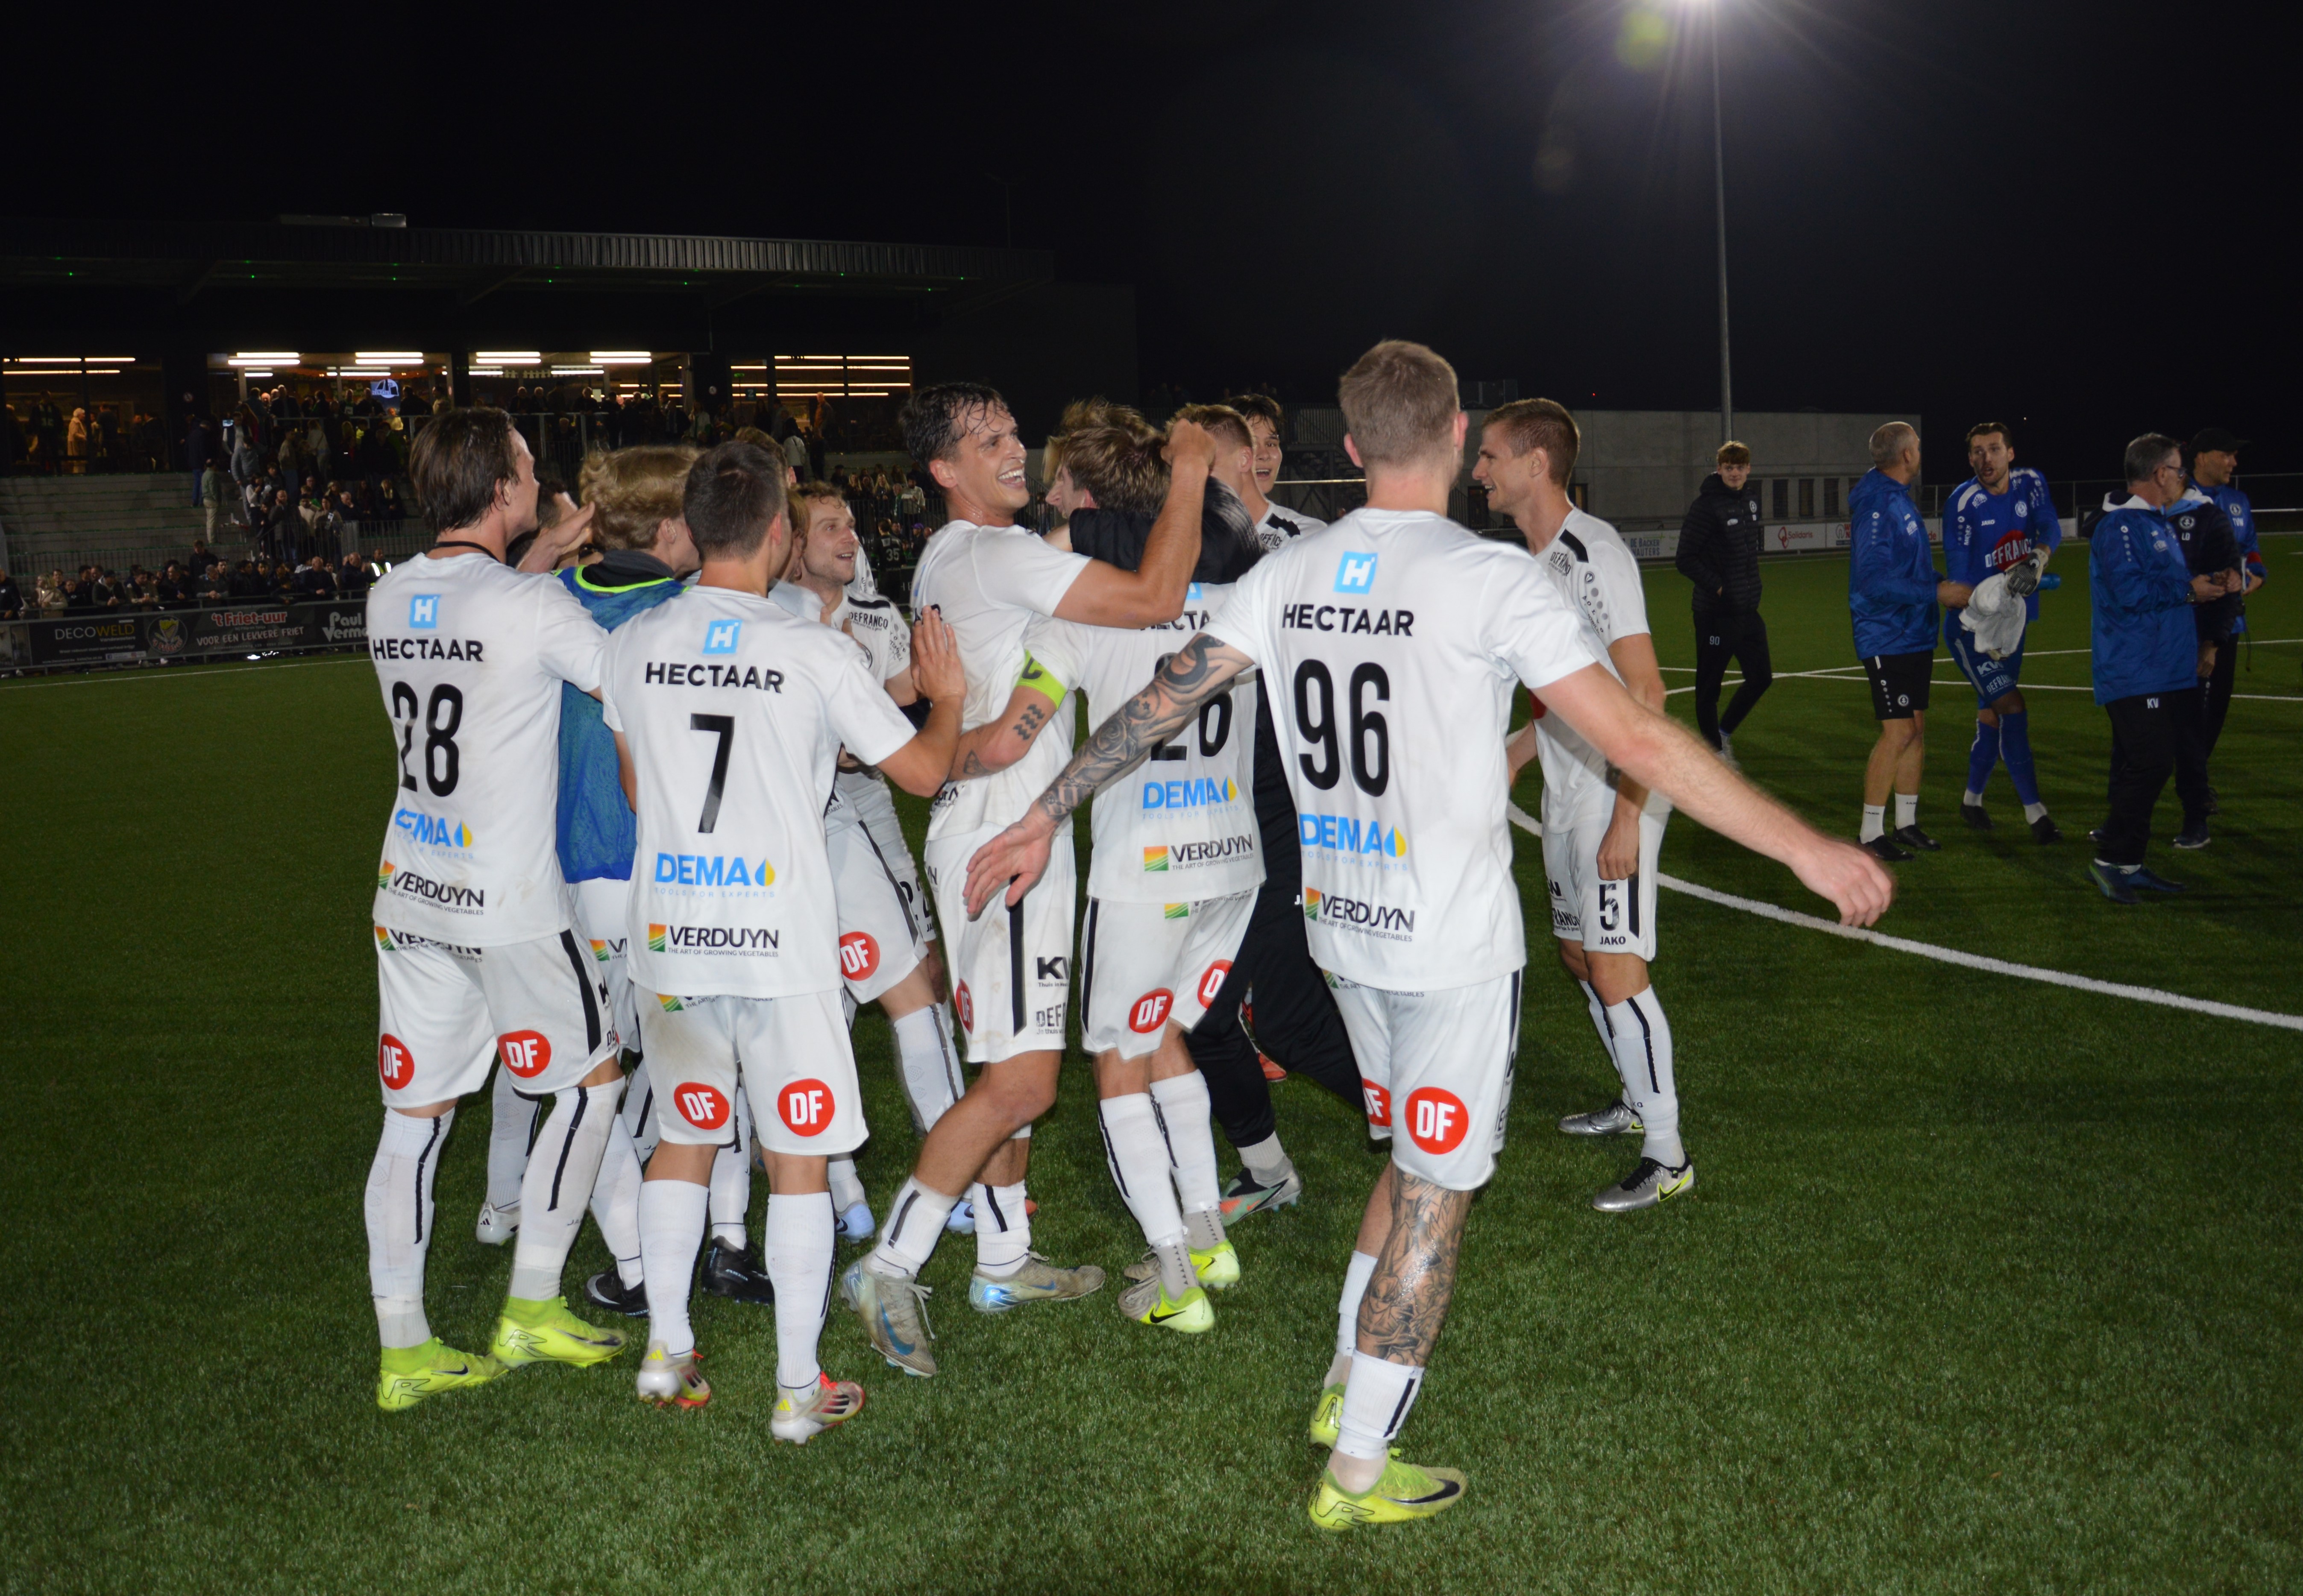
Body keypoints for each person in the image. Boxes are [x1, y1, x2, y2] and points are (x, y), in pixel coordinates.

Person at [962, 339, 1892, 1531]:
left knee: (1408, 1165)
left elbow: (1161, 697)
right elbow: (1637, 736)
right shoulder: (1488, 577)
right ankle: (1357, 1467)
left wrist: (1045, 811)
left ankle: (1345, 1378)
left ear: (1350, 446)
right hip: (1448, 953)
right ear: (1455, 434)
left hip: (1344, 933)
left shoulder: (1290, 574)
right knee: (1437, 1195)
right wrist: (1805, 847)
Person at [836, 384, 1212, 1379]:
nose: (1013, 449)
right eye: (986, 441)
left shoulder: (962, 554)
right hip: (1004, 834)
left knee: (1012, 1063)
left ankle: (1003, 1259)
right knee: (1021, 1081)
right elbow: (1157, 599)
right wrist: (1188, 469)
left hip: (997, 822)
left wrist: (947, 754)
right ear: (943, 470)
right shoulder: (994, 555)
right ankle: (889, 1264)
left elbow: (965, 708)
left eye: (1012, 432)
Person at [603, 440, 965, 1433]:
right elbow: (924, 772)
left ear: (693, 528)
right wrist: (949, 695)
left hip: (672, 931)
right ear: (777, 533)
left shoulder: (631, 643)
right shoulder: (812, 649)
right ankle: (798, 1389)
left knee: (685, 1136)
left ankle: (667, 1351)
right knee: (797, 1156)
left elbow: (637, 790)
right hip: (778, 938)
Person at [966, 415, 1267, 1332]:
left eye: (1062, 490)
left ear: (1093, 501)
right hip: (1233, 860)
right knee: (1163, 1033)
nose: (1050, 503)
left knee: (1116, 1061)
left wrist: (944, 739)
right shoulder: (1235, 590)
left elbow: (1016, 729)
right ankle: (1209, 1239)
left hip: (1146, 869)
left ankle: (1174, 1279)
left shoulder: (1084, 612)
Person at [361, 406, 629, 1412]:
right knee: (590, 1085)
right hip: (508, 899)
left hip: (410, 890)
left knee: (412, 1123)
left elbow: (476, 611)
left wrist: (541, 553)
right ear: (503, 486)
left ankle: (404, 1350)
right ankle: (531, 1305)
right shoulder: (533, 608)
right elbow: (623, 684)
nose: (536, 473)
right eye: (526, 463)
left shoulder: (389, 595)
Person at [1478, 399, 1688, 1210]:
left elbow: (1646, 691)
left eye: (1491, 455)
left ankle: (1667, 1155)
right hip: (1566, 792)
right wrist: (1512, 758)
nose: (1478, 470)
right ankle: (1635, 1099)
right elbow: (1561, 696)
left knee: (1614, 966)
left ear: (1535, 464)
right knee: (1576, 955)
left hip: (1614, 792)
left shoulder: (1591, 552)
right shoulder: (1526, 563)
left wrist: (1629, 816)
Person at [771, 480, 968, 1245]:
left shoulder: (873, 614)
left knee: (900, 973)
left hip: (853, 811)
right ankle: (857, 1178)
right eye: (830, 526)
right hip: (817, 815)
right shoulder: (786, 622)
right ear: (789, 543)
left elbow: (887, 717)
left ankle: (901, 1171)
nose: (848, 537)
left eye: (850, 524)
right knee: (852, 991)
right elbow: (896, 749)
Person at [2086, 434, 2236, 902]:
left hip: (2163, 668)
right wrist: (2189, 591)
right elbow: (2130, 593)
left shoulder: (2155, 522)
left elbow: (2165, 585)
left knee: (2153, 763)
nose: (2182, 479)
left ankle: (2129, 862)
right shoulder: (2120, 525)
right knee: (2149, 763)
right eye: (2178, 470)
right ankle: (2111, 860)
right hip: (2134, 668)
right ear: (2159, 473)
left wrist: (2207, 584)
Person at [1849, 422, 1969, 861]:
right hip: (1886, 634)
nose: (1920, 451)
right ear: (1905, 455)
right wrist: (1936, 593)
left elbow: (1908, 571)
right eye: (1917, 445)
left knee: (1916, 730)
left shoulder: (1898, 498)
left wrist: (1942, 585)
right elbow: (1873, 580)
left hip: (1913, 632)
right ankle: (1869, 832)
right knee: (1899, 733)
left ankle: (1906, 824)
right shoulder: (1878, 505)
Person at [1941, 423, 2063, 841]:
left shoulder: (2031, 483)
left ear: (2010, 453)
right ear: (1969, 459)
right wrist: (1997, 589)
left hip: (2012, 624)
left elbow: (2050, 526)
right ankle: (2036, 814)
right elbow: (1959, 578)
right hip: (1972, 628)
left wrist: (2037, 559)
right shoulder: (1963, 504)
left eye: (1994, 449)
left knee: (1991, 716)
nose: (1985, 459)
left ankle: (1971, 802)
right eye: (1977, 452)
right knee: (2012, 707)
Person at [1674, 440, 1770, 763]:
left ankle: (1724, 733)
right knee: (1709, 687)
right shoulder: (1706, 506)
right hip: (1715, 613)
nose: (1735, 473)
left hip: (1746, 608)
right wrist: (1718, 588)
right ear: (1719, 469)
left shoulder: (1750, 501)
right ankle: (1714, 754)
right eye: (1729, 468)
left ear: (1749, 469)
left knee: (1761, 678)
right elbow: (1685, 558)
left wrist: (1748, 591)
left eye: (1740, 467)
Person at [2161, 474, 2241, 851]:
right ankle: (2122, 819)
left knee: (2190, 736)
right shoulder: (2137, 515)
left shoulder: (2208, 517)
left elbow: (2228, 588)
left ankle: (2195, 820)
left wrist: (2211, 644)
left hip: (2190, 647)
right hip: (2146, 648)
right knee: (2131, 740)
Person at [2186, 428, 2265, 775]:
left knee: (2217, 703)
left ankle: (2194, 773)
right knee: (2187, 703)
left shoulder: (2238, 500)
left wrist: (2257, 572)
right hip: (2188, 620)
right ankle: (2186, 775)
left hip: (2230, 622)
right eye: (2226, 455)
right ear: (2202, 458)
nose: (2233, 462)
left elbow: (2250, 546)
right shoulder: (2177, 498)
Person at [1228, 393, 1329, 550]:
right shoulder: (1198, 531)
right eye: (1252, 445)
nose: (1264, 455)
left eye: (1271, 444)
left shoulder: (1307, 535)